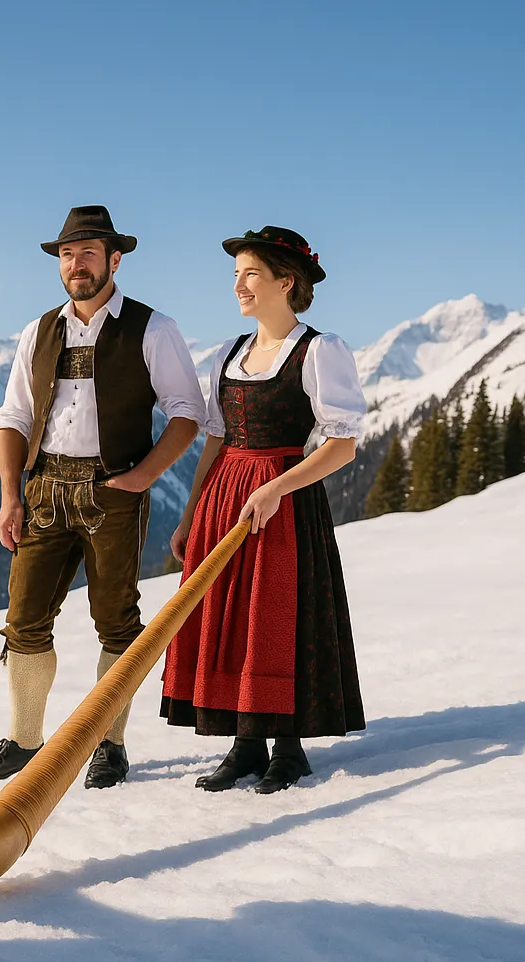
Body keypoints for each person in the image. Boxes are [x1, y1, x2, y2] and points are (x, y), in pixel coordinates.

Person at [0, 206, 204, 789]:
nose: (77, 265)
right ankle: (26, 741)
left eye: (89, 253)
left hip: (113, 492)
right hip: (44, 490)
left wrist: (144, 476)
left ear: (114, 260)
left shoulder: (153, 328)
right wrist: (10, 495)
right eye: (68, 255)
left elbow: (187, 412)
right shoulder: (38, 330)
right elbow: (13, 416)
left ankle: (109, 744)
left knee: (117, 625)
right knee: (23, 621)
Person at [161, 226, 365, 793]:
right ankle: (245, 743)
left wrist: (279, 488)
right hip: (227, 495)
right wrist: (190, 514)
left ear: (286, 281)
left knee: (275, 616)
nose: (238, 286)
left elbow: (342, 445)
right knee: (231, 618)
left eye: (250, 274)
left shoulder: (319, 351)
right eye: (236, 276)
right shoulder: (228, 354)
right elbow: (216, 439)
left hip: (285, 496)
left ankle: (289, 748)